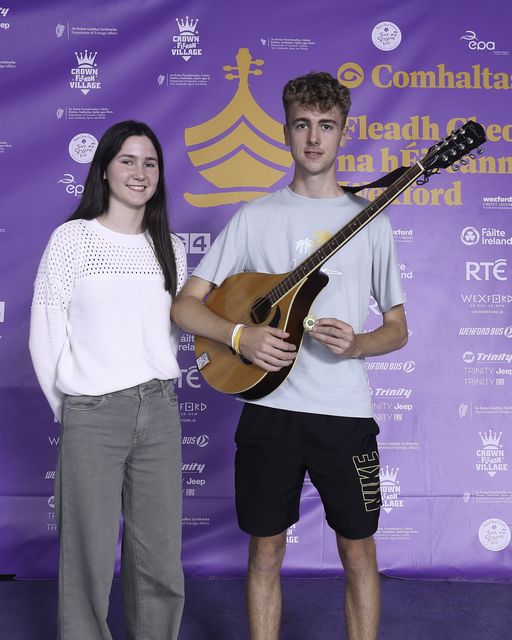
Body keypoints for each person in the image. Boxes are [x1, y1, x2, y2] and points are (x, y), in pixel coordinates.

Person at [171, 71, 408, 639]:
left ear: (343, 133)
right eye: (303, 124)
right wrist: (238, 338)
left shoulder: (370, 219)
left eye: (327, 126)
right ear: (285, 131)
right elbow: (185, 308)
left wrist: (358, 343)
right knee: (265, 553)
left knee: (358, 555)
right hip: (269, 415)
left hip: (344, 414)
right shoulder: (255, 217)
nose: (314, 138)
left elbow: (397, 328)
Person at [29, 121, 187, 640]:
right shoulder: (73, 240)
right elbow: (46, 335)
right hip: (93, 414)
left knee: (160, 559)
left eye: (150, 163)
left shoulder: (172, 249)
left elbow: (166, 335)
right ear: (104, 168)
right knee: (88, 558)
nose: (139, 173)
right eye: (127, 160)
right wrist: (73, 410)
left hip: (159, 411)